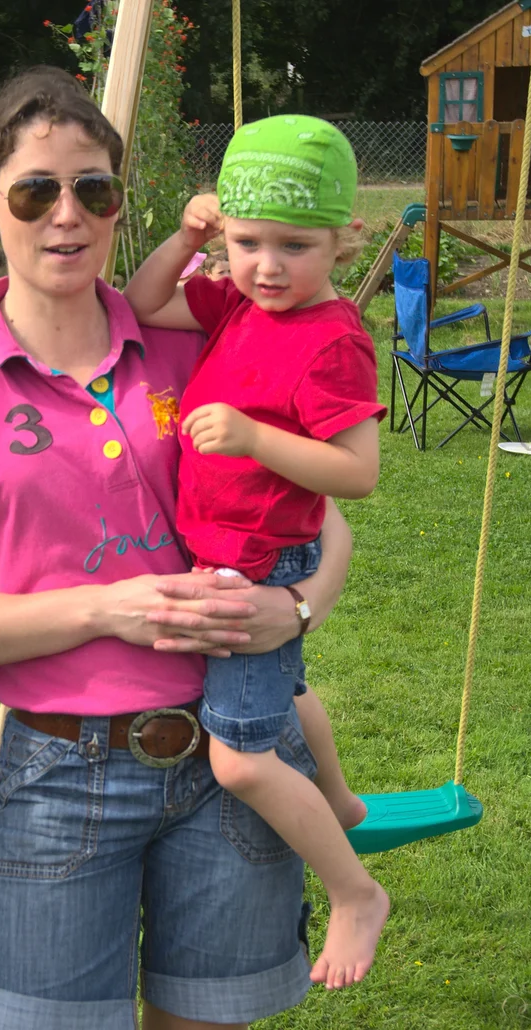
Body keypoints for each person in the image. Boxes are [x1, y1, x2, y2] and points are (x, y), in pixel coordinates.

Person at [0, 67, 356, 1030]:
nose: (68, 216)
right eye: (35, 190)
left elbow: (325, 514)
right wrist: (108, 607)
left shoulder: (191, 340)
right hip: (61, 771)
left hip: (231, 743)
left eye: (94, 189)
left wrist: (296, 609)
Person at [123, 116, 388, 991]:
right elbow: (143, 299)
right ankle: (343, 803)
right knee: (289, 690)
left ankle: (354, 892)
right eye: (246, 241)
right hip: (222, 555)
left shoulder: (331, 339)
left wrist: (252, 438)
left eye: (294, 245)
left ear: (346, 238)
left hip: (263, 567)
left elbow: (357, 473)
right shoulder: (237, 300)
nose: (267, 265)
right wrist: (189, 237)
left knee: (239, 757)